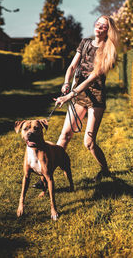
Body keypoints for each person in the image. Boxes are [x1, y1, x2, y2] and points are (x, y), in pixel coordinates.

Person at [33, 15, 119, 189]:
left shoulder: (109, 51)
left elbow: (91, 79)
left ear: (108, 31)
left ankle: (105, 170)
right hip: (78, 95)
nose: (99, 27)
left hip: (96, 98)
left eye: (103, 26)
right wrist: (66, 83)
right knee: (64, 136)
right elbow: (72, 67)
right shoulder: (85, 43)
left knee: (88, 142)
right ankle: (45, 178)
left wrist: (68, 96)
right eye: (98, 23)